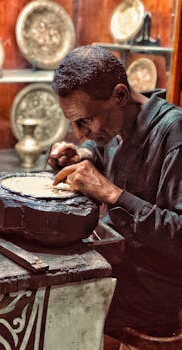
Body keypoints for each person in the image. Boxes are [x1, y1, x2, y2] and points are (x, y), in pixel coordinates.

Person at [48, 45, 182, 338]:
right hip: (118, 264)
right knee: (45, 287)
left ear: (120, 95)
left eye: (84, 121)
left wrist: (112, 194)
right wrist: (82, 156)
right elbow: (100, 148)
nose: (80, 132)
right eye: (73, 123)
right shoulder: (120, 121)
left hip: (156, 291)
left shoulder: (174, 133)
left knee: (57, 307)